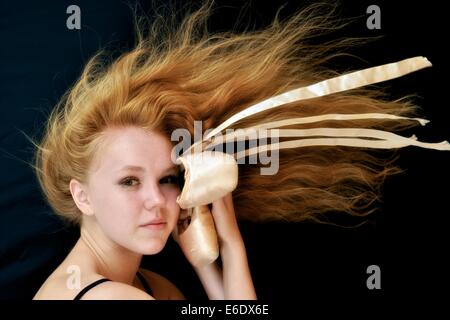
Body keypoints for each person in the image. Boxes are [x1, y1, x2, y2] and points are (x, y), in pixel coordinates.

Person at [29, 1, 449, 299]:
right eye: (129, 181)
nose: (158, 201)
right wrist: (231, 251)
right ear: (81, 194)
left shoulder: (151, 288)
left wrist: (217, 252)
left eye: (168, 179)